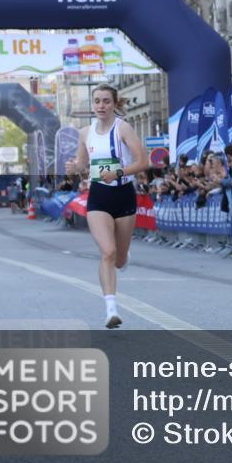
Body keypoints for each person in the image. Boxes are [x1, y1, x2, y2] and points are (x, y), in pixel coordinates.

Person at [66, 84, 148, 328]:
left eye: (106, 101)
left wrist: (118, 172)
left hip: (123, 194)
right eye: (97, 101)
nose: (101, 106)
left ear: (114, 104)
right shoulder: (84, 133)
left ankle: (124, 257)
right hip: (98, 196)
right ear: (93, 105)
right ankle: (110, 309)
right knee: (108, 253)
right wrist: (74, 168)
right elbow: (82, 164)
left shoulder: (123, 128)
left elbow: (143, 161)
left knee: (120, 259)